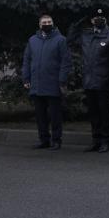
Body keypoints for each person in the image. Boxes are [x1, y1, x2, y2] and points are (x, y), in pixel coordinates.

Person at [67, 8, 109, 153]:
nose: (98, 20)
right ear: (91, 20)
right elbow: (70, 39)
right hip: (89, 80)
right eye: (95, 18)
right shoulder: (86, 34)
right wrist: (79, 21)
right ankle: (96, 140)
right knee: (93, 113)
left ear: (105, 19)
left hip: (104, 81)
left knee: (104, 113)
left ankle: (105, 141)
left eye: (101, 17)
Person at [22, 14, 72, 151]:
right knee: (40, 116)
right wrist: (26, 78)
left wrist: (62, 80)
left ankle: (56, 141)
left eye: (49, 22)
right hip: (37, 84)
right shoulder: (33, 40)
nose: (47, 24)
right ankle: (44, 140)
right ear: (39, 25)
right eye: (44, 22)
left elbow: (66, 62)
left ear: (53, 23)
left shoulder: (60, 40)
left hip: (53, 83)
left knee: (55, 116)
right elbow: (27, 60)